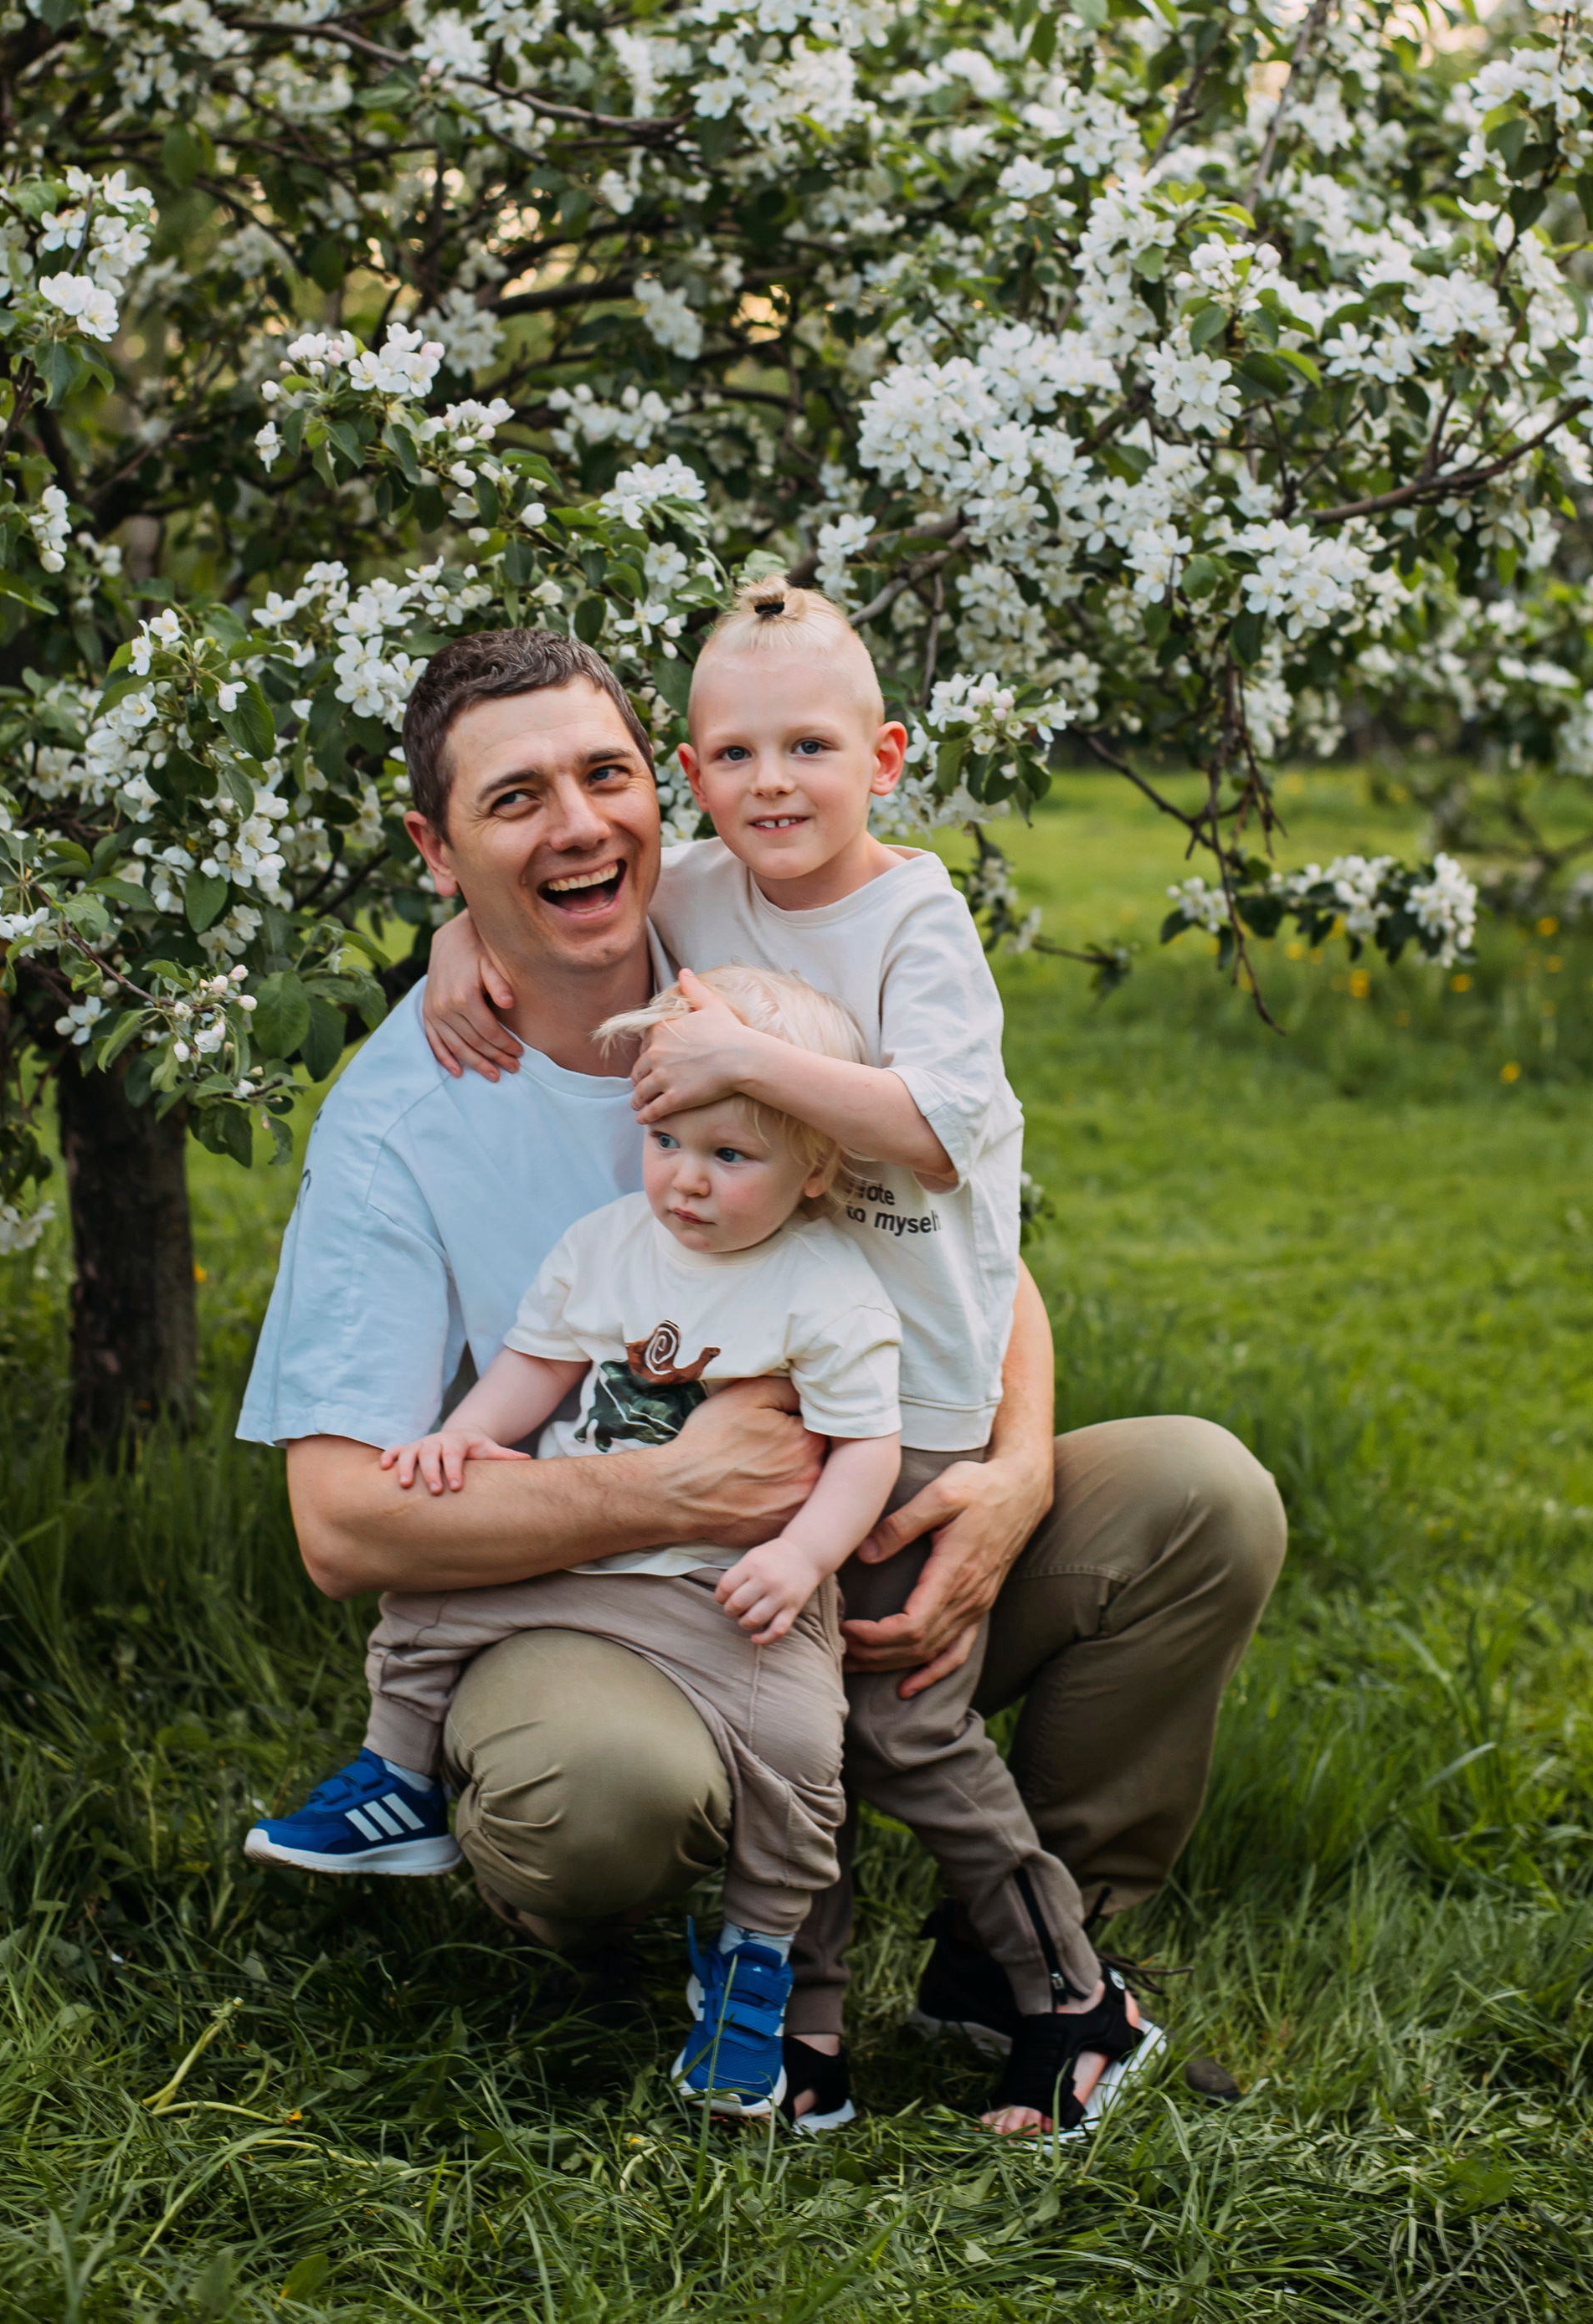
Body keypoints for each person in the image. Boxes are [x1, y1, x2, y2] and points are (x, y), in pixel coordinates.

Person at [236, 625, 1286, 2132]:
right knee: (600, 1787)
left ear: (664, 799)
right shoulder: (405, 1120)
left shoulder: (749, 952)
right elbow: (340, 1529)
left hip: (858, 1525)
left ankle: (1016, 1960)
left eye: (606, 777)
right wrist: (671, 1485)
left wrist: (1022, 1466)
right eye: (513, 801)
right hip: (631, 1606)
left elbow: (961, 1235)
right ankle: (652, 1934)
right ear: (435, 845)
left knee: (1202, 1495)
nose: (580, 826)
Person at [332, 964, 902, 2121]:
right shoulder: (607, 1243)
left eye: (729, 1156)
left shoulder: (828, 1288)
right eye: (667, 1140)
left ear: (817, 1168)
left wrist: (801, 1558)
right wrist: (460, 1438)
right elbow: (535, 1366)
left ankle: (755, 1956)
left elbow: (865, 1452)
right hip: (578, 1558)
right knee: (430, 1603)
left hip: (720, 1587)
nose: (685, 1180)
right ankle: (391, 1777)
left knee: (804, 1742)